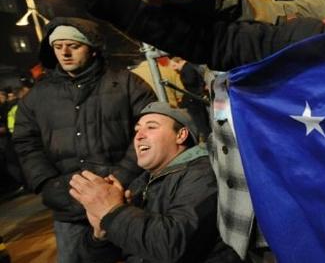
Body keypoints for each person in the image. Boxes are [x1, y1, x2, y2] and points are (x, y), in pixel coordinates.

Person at [11, 18, 156, 263]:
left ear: (91, 48)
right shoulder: (37, 96)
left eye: (73, 46)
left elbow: (150, 131)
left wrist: (122, 176)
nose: (65, 53)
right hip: (70, 207)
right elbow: (26, 143)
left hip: (127, 199)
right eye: (58, 47)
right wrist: (48, 184)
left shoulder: (127, 84)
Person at [69, 102, 239, 262]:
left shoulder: (202, 174)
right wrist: (102, 233)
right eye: (137, 130)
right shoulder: (139, 184)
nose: (139, 136)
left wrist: (113, 211)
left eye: (151, 127)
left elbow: (173, 245)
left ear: (180, 135)